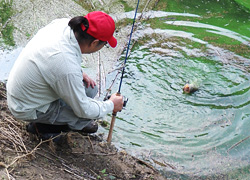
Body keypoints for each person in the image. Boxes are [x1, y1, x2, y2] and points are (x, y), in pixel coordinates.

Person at [6, 11, 124, 140]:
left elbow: (56, 61)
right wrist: (111, 104)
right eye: (105, 44)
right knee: (87, 116)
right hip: (25, 107)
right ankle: (43, 128)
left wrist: (78, 72)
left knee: (90, 90)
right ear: (94, 43)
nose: (104, 46)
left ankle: (59, 120)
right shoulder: (65, 65)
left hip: (27, 90)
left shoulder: (62, 25)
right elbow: (84, 109)